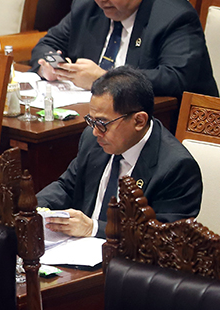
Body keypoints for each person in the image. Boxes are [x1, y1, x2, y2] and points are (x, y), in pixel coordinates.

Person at [32, 0, 217, 98]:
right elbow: (47, 44)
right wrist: (50, 67)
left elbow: (175, 79)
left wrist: (105, 79)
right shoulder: (87, 3)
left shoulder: (175, 17)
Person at [37, 66, 203, 238]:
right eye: (91, 121)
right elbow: (67, 187)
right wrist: (34, 207)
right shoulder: (93, 139)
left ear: (139, 121)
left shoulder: (176, 167)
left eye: (102, 123)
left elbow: (163, 238)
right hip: (77, 251)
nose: (95, 131)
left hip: (130, 261)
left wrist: (94, 229)